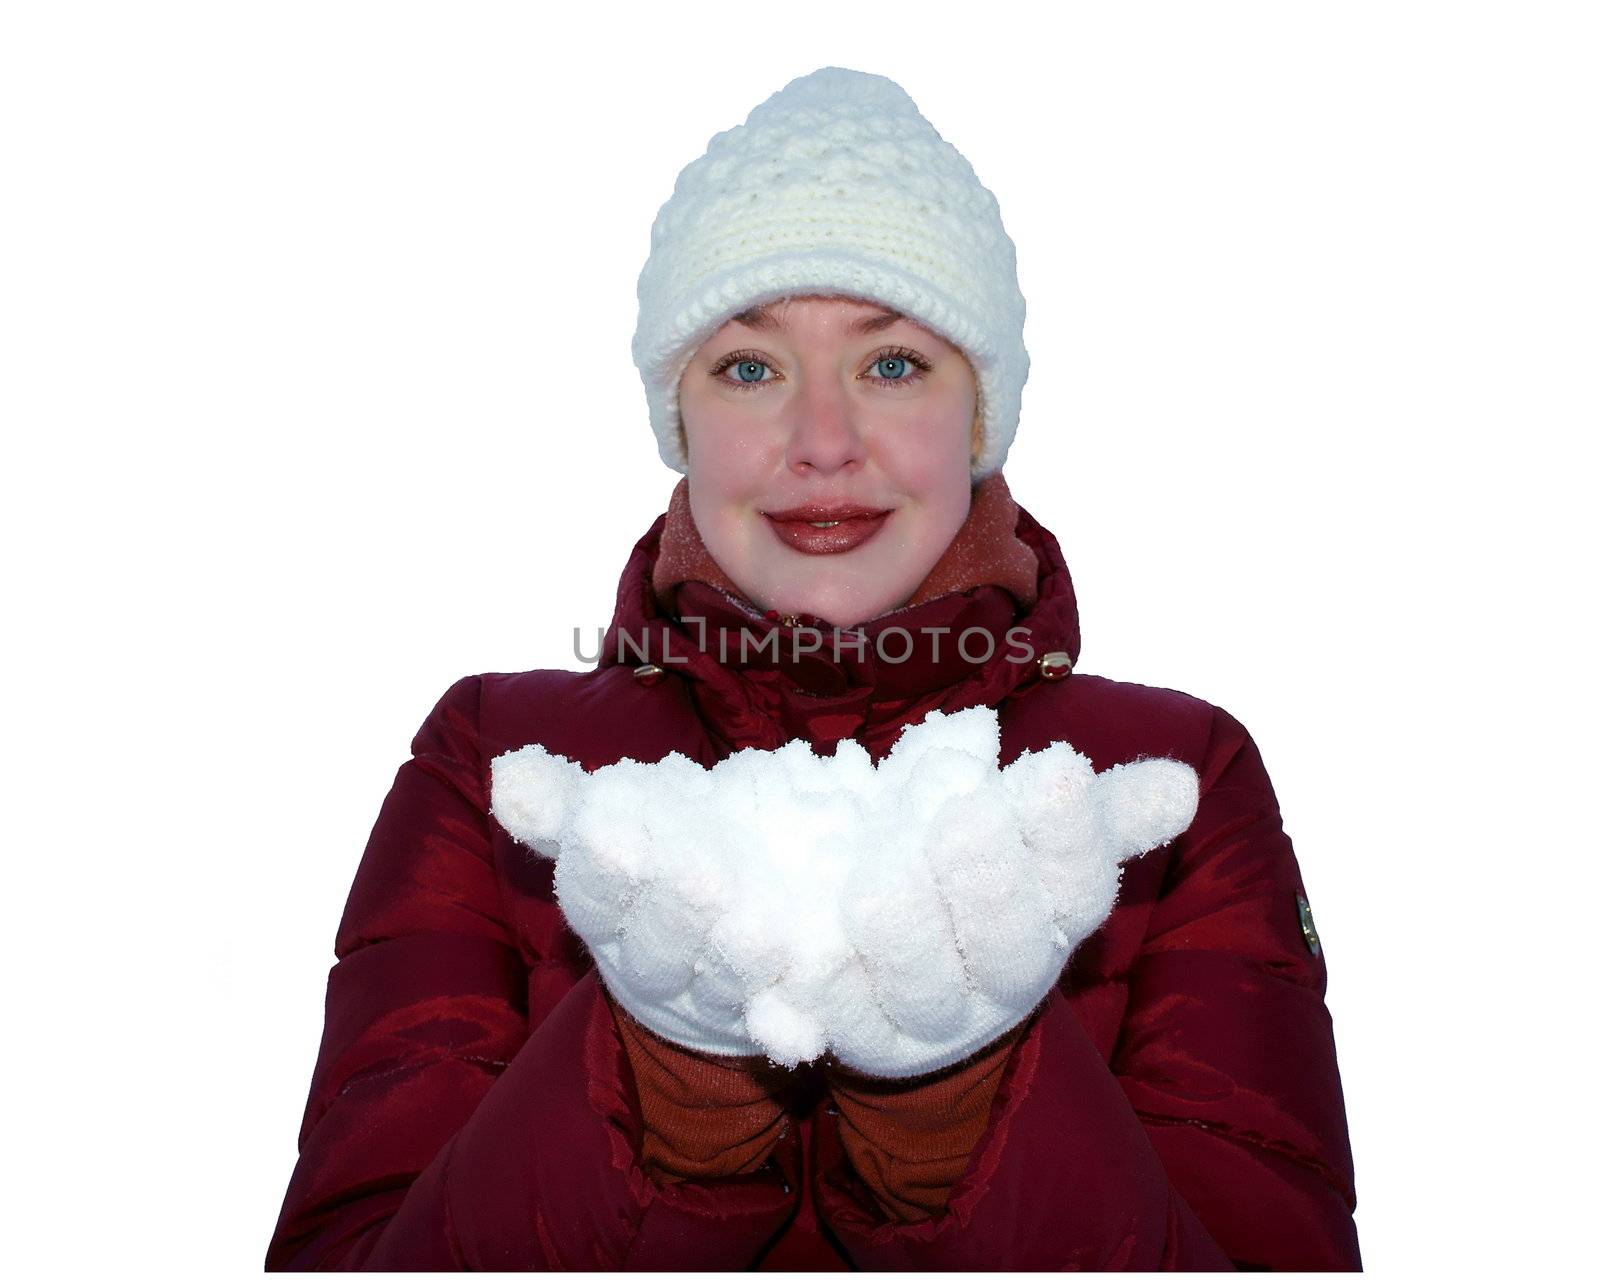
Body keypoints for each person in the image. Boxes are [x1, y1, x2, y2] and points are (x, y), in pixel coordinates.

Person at [265, 66, 1361, 1271]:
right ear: (678, 416)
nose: (824, 442)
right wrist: (667, 1074)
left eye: (892, 363)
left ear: (978, 414)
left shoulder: (1173, 780)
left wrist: (959, 1093)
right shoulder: (494, 759)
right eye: (750, 367)